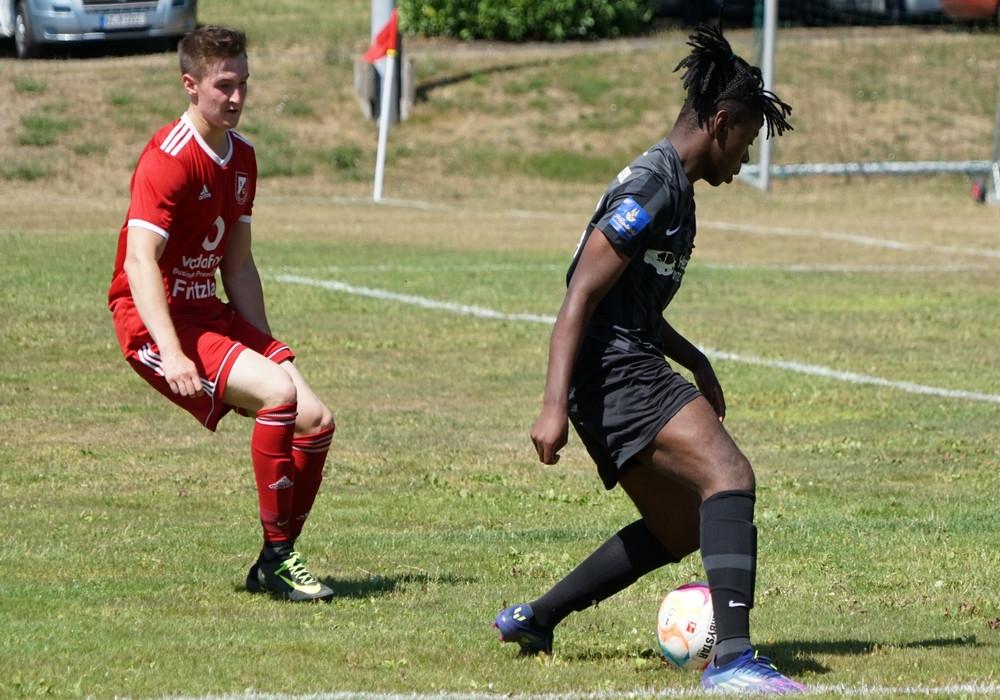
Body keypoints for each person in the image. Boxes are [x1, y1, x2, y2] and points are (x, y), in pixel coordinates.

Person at [493, 24, 805, 693]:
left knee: (679, 524)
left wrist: (695, 359)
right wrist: (550, 406)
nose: (746, 158)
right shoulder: (654, 187)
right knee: (729, 475)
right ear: (720, 124)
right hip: (612, 370)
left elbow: (629, 301)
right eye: (747, 140)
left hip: (618, 362)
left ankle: (538, 617)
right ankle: (733, 661)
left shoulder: (675, 187)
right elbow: (581, 292)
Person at [108, 25, 336, 602]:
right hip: (155, 320)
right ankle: (280, 559)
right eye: (224, 86)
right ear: (191, 85)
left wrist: (265, 344)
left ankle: (273, 559)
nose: (237, 97)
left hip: (207, 311)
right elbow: (138, 262)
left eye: (244, 84)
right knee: (278, 396)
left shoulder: (243, 158)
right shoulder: (169, 159)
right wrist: (172, 351)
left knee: (315, 418)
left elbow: (237, 265)